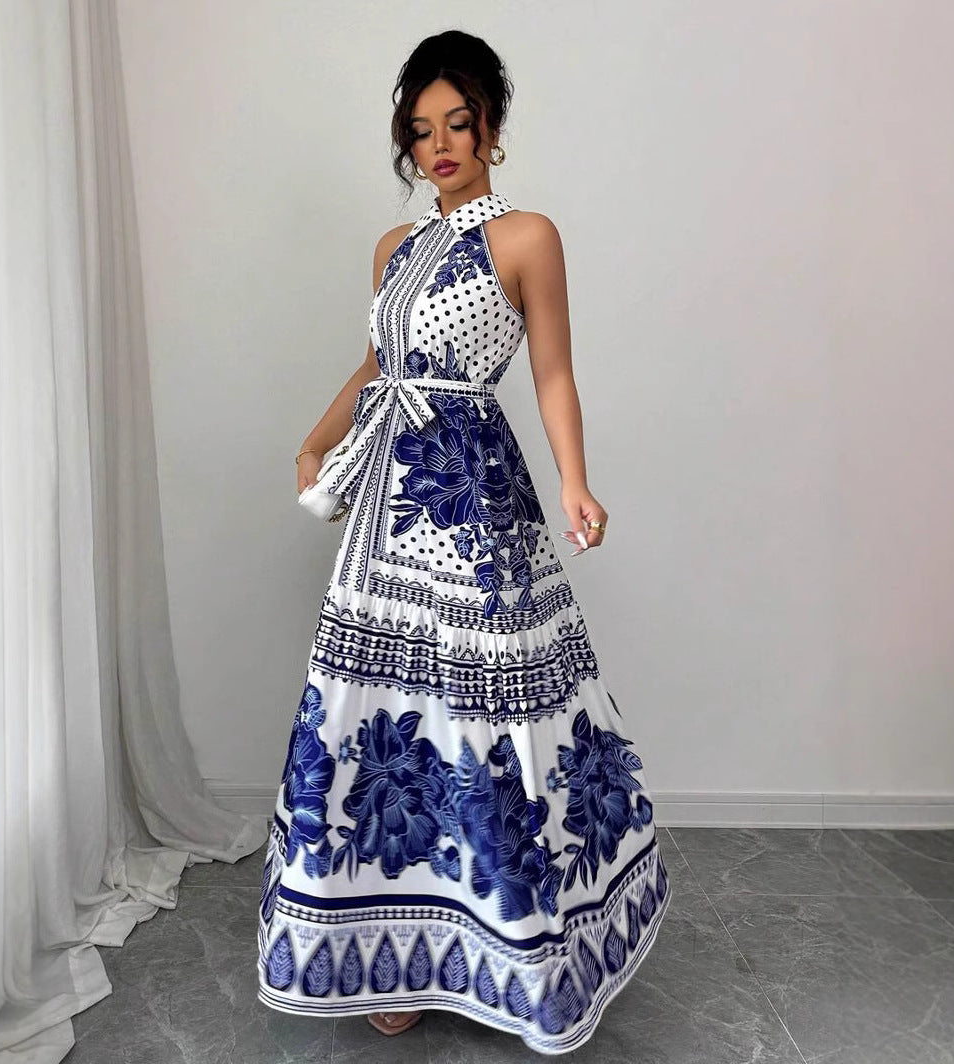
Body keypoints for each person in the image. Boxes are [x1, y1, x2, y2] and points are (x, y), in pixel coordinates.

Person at [257, 28, 672, 1056]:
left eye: (457, 123)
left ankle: (506, 952)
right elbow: (376, 365)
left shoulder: (526, 236)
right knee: (382, 711)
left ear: (491, 125)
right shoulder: (392, 249)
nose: (439, 145)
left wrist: (574, 480)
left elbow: (552, 372)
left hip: (474, 496)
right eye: (420, 130)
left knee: (487, 711)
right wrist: (314, 440)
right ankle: (389, 950)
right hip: (387, 505)